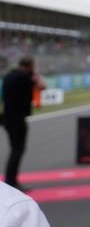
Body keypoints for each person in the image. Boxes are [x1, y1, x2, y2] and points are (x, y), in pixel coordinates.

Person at [2, 56, 45, 192]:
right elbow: (42, 86)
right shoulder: (25, 76)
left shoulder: (9, 76)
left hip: (6, 117)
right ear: (29, 66)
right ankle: (11, 182)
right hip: (17, 118)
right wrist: (36, 74)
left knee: (15, 149)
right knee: (17, 150)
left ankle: (11, 181)